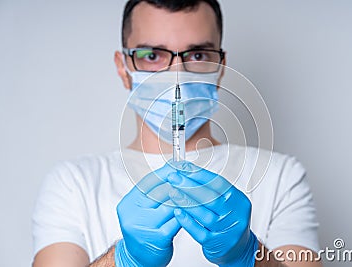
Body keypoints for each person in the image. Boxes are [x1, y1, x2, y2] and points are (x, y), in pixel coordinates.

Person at [32, 1, 322, 266]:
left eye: (197, 54)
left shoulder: (280, 176)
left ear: (220, 67)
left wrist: (248, 255)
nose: (177, 75)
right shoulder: (73, 184)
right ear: (123, 68)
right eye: (152, 55)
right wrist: (123, 260)